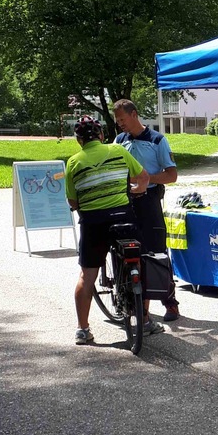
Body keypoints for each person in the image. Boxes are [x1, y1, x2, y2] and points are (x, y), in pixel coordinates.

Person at [65, 115, 164, 344]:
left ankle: (83, 329)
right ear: (101, 135)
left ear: (79, 141)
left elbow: (73, 202)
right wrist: (138, 190)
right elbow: (143, 177)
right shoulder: (119, 151)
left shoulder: (73, 162)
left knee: (87, 275)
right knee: (139, 261)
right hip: (123, 218)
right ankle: (145, 319)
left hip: (93, 223)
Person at [113, 99, 180, 322]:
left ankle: (170, 303)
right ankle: (136, 306)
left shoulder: (157, 140)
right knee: (130, 252)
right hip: (126, 201)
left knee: (156, 253)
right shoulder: (119, 141)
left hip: (149, 200)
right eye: (117, 120)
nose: (120, 124)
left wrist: (145, 179)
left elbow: (172, 175)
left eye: (122, 119)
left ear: (134, 114)